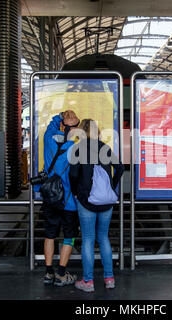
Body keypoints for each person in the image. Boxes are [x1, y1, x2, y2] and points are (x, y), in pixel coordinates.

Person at [69, 119, 124, 292]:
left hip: (87, 200)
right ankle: (109, 279)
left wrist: (76, 191)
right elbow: (120, 168)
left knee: (88, 240)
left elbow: (73, 174)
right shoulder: (105, 148)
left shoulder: (79, 149)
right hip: (107, 201)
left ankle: (88, 282)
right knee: (103, 238)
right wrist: (111, 188)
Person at [39, 110, 80, 287]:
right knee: (69, 236)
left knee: (50, 235)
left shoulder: (48, 138)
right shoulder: (74, 148)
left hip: (50, 198)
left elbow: (51, 125)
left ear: (62, 124)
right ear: (75, 129)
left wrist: (60, 116)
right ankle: (61, 274)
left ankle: (48, 272)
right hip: (68, 201)